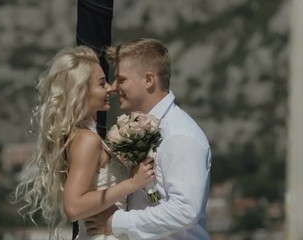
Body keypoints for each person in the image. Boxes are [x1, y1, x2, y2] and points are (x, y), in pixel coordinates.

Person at [13, 46, 155, 240]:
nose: (110, 88)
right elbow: (73, 207)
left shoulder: (79, 136)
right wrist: (132, 183)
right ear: (81, 91)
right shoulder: (87, 139)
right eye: (101, 84)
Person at [85, 38, 212, 239]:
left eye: (122, 79)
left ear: (149, 80)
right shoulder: (148, 127)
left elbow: (186, 210)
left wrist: (115, 222)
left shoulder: (178, 134)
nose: (114, 87)